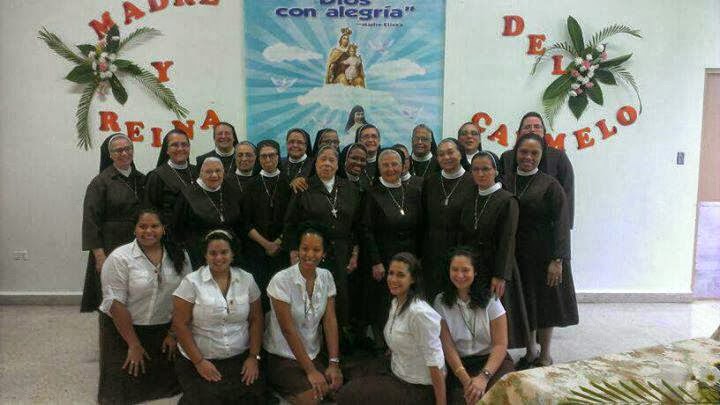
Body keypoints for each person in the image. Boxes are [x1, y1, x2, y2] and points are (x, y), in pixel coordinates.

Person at [98, 208, 191, 404]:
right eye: (142, 226)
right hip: (123, 329)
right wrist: (133, 345)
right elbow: (115, 305)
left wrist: (174, 334)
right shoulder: (119, 258)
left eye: (154, 226)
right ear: (134, 229)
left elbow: (185, 300)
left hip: (164, 329)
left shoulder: (180, 255)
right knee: (119, 394)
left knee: (172, 387)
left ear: (164, 228)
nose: (148, 231)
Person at [502, 133, 578, 369]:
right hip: (516, 256)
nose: (528, 157)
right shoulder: (506, 181)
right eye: (524, 152)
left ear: (541, 156)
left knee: (545, 305)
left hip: (544, 256)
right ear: (516, 153)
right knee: (525, 303)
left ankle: (544, 355)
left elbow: (562, 224)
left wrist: (558, 260)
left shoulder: (550, 185)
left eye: (534, 153)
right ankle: (530, 352)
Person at [336, 252, 446, 405]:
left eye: (400, 275)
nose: (393, 279)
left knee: (347, 395)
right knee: (347, 374)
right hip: (396, 368)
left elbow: (436, 364)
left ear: (413, 279)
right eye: (391, 273)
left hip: (417, 387)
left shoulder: (419, 313)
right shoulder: (396, 302)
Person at [172, 230, 265, 404]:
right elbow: (180, 325)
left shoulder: (247, 279)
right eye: (212, 253)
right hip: (200, 359)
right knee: (209, 399)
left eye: (224, 252)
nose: (218, 258)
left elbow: (256, 319)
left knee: (251, 398)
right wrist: (199, 362)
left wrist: (253, 357)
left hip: (240, 358)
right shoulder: (191, 282)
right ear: (205, 255)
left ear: (233, 254)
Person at [283, 146, 362, 327]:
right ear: (315, 163)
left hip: (342, 252)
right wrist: (294, 252)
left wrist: (355, 253)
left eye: (331, 160)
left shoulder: (350, 188)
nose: (327, 163)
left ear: (338, 165)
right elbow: (290, 223)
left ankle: (337, 338)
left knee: (339, 297)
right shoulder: (304, 187)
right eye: (322, 159)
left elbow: (357, 225)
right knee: (312, 296)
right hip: (312, 253)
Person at [263, 225, 343, 404]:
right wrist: (311, 371)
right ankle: (279, 392)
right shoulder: (281, 280)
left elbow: (330, 321)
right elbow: (288, 330)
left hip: (313, 353)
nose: (309, 254)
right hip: (283, 356)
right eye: (305, 248)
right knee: (314, 397)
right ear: (297, 249)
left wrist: (333, 363)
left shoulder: (326, 277)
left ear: (324, 253)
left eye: (316, 250)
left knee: (335, 390)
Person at [459, 152, 530, 350]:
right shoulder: (471, 198)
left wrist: (500, 275)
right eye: (476, 169)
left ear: (496, 171)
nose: (480, 174)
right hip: (474, 265)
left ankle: (501, 354)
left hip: (496, 266)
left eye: (485, 169)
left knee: (497, 314)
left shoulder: (507, 200)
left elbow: (508, 240)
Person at [434, 249, 515, 404]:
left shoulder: (491, 299)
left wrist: (484, 377)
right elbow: (447, 346)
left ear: (475, 272)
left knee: (501, 394)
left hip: (492, 360)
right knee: (463, 398)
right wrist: (466, 380)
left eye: (465, 270)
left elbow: (500, 344)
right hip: (460, 365)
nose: (459, 275)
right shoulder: (440, 301)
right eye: (455, 269)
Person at [362, 149, 424, 347]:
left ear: (403, 166)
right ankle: (386, 344)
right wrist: (376, 262)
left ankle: (409, 341)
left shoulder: (413, 191)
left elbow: (422, 226)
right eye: (385, 165)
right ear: (378, 168)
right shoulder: (371, 193)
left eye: (394, 164)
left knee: (410, 299)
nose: (390, 169)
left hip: (410, 257)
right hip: (385, 258)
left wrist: (419, 257)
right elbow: (366, 231)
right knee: (385, 302)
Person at [82, 133, 146, 312]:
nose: (124, 153)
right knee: (111, 295)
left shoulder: (142, 179)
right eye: (118, 150)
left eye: (127, 149)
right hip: (111, 245)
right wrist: (99, 256)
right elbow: (90, 221)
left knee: (137, 291)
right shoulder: (100, 182)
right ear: (109, 155)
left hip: (139, 243)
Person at [498, 112, 575, 228]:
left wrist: (565, 225)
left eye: (537, 126)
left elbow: (567, 191)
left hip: (547, 225)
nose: (532, 130)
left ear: (544, 132)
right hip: (513, 223)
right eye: (527, 127)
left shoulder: (558, 156)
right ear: (519, 133)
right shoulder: (507, 157)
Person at [422, 138, 475, 299]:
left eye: (450, 152)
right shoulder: (430, 181)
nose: (446, 157)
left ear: (461, 154)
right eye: (441, 154)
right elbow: (424, 218)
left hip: (461, 249)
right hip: (433, 251)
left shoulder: (473, 181)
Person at [242, 140, 292, 307]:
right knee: (260, 296)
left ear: (278, 156)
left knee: (282, 296)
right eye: (264, 156)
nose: (268, 159)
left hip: (283, 250)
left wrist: (278, 242)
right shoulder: (251, 185)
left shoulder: (289, 182)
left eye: (272, 155)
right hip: (257, 250)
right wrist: (266, 244)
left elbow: (294, 219)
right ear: (258, 159)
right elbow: (245, 222)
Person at [173, 158, 242, 268]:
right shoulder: (187, 195)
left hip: (229, 253)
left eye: (218, 171)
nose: (214, 175)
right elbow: (177, 228)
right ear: (200, 173)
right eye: (209, 171)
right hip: (199, 255)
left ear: (223, 172)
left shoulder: (230, 190)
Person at [144, 129, 196, 228]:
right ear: (166, 150)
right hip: (169, 232)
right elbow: (150, 211)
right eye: (175, 145)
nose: (180, 148)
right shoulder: (156, 176)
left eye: (184, 145)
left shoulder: (198, 172)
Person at [281, 128, 315, 194]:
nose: (295, 145)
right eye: (291, 142)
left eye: (299, 142)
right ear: (287, 144)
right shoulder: (279, 163)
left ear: (306, 146)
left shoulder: (315, 165)